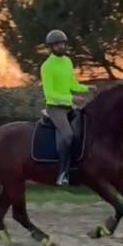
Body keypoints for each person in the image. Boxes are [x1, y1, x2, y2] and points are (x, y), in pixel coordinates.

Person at [40, 29, 91, 186]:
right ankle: (62, 173)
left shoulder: (67, 61)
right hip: (55, 108)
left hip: (69, 107)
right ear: (51, 47)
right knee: (68, 135)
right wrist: (72, 98)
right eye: (57, 44)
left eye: (62, 43)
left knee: (87, 128)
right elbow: (50, 93)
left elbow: (72, 84)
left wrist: (87, 88)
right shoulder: (47, 66)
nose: (61, 46)